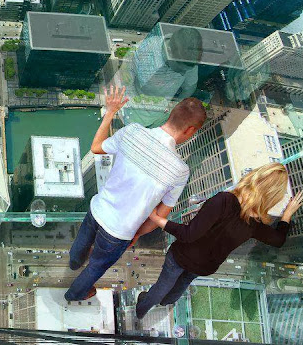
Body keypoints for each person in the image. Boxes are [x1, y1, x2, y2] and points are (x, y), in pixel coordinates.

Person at [64, 86, 206, 302]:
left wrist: (110, 112)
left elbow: (96, 147)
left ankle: (74, 262)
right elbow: (160, 215)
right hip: (120, 231)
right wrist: (137, 234)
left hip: (98, 208)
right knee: (95, 267)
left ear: (171, 114)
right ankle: (75, 294)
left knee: (82, 243)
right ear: (190, 130)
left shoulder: (132, 132)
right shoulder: (179, 171)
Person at [136, 163, 303, 319]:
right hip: (204, 266)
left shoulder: (223, 201)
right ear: (272, 197)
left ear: (254, 177)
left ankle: (141, 309)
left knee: (162, 286)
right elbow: (279, 240)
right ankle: (166, 303)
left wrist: (157, 218)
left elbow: (188, 234)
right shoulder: (254, 224)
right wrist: (287, 214)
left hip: (182, 255)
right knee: (181, 284)